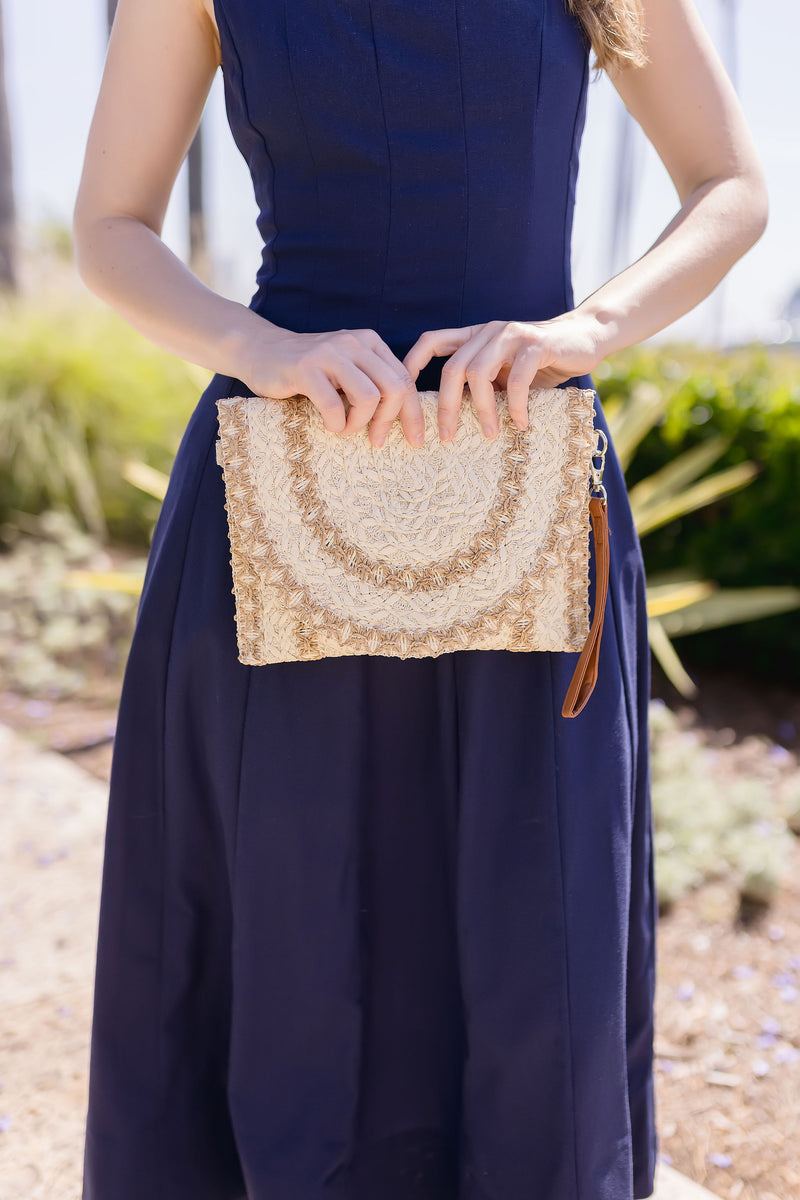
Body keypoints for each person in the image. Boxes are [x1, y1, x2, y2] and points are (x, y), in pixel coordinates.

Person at [72, 1, 767, 1198]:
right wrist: (261, 349)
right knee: (289, 931)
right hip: (274, 497)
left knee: (529, 941)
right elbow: (109, 224)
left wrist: (584, 329)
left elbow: (730, 185)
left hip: (528, 491)